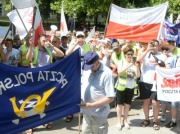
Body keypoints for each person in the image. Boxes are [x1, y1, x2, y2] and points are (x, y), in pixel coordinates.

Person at [25, 34, 64, 134]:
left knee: (45, 101)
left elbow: (61, 54)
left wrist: (51, 45)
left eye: (46, 40)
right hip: (35, 80)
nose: (45, 41)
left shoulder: (49, 50)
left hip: (47, 80)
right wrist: (30, 47)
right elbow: (28, 59)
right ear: (38, 41)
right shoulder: (35, 50)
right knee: (33, 102)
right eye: (43, 40)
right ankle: (30, 125)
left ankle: (44, 121)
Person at [80, 51, 115, 134]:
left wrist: (91, 105)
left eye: (91, 66)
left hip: (99, 114)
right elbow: (82, 85)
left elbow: (110, 98)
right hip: (86, 112)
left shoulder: (107, 74)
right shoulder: (87, 70)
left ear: (97, 62)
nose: (89, 69)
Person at [137, 39, 167, 130]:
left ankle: (155, 121)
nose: (154, 47)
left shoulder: (162, 56)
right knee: (146, 102)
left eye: (155, 45)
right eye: (152, 45)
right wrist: (147, 50)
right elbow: (138, 60)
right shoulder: (145, 54)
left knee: (155, 103)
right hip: (145, 82)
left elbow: (166, 68)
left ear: (158, 46)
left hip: (156, 82)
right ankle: (146, 119)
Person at [115, 48, 140, 130]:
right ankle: (119, 122)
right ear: (125, 54)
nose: (130, 56)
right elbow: (119, 73)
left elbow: (138, 75)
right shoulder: (121, 62)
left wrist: (137, 66)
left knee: (127, 105)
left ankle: (125, 121)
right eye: (128, 54)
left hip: (131, 87)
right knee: (119, 105)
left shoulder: (134, 64)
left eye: (131, 54)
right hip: (121, 86)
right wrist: (128, 66)